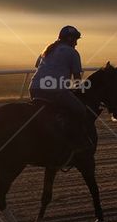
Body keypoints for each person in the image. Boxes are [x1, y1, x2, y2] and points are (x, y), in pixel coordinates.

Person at [29, 25, 94, 155]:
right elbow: (77, 79)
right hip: (55, 91)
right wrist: (81, 91)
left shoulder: (47, 49)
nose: (76, 43)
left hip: (34, 89)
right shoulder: (72, 53)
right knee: (81, 110)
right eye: (75, 40)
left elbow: (38, 66)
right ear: (69, 39)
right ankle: (77, 142)